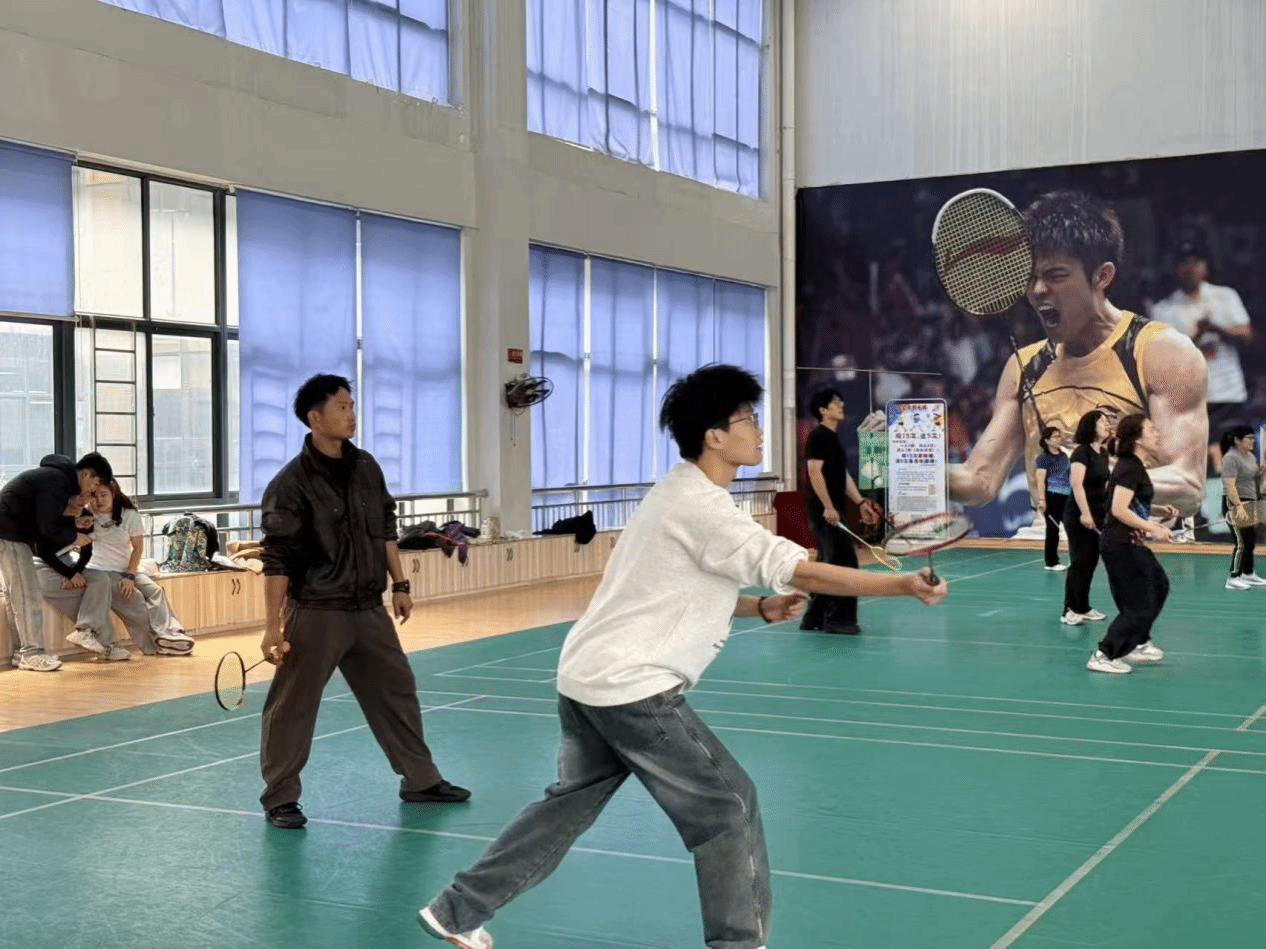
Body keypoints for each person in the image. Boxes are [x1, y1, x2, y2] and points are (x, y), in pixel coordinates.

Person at [416, 364, 947, 949]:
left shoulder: (675, 491)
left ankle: (457, 910)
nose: (760, 430)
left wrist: (757, 607)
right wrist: (900, 585)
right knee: (728, 806)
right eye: (748, 419)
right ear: (715, 436)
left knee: (566, 806)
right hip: (632, 688)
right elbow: (800, 570)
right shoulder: (703, 509)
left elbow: (671, 585)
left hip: (586, 676)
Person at [257, 374, 470, 829]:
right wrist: (273, 626)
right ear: (315, 419)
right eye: (341, 407)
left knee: (397, 691)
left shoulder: (366, 467)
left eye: (352, 406)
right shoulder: (289, 483)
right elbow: (276, 560)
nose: (351, 414)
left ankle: (420, 780)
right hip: (317, 610)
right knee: (293, 706)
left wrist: (400, 584)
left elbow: (384, 529)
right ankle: (280, 798)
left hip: (368, 608)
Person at [946, 191, 1208, 517]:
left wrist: (1098, 479)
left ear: (1102, 276)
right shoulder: (1024, 367)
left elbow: (1188, 486)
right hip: (1048, 542)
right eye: (1029, 277)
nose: (1038, 290)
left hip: (1136, 539)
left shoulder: (1160, 353)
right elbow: (979, 480)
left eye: (1055, 275)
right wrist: (907, 468)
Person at [38, 481, 197, 657]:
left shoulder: (128, 514)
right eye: (94, 496)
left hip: (127, 569)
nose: (99, 500)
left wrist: (130, 575)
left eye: (103, 495)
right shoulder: (84, 515)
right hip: (101, 571)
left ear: (113, 494)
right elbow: (75, 546)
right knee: (135, 601)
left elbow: (138, 548)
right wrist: (72, 572)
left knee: (156, 591)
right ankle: (154, 646)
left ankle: (170, 634)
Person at [0, 452, 113, 672]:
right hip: (10, 533)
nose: (92, 492)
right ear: (86, 475)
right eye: (94, 485)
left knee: (17, 595)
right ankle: (32, 653)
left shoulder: (57, 479)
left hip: (12, 532)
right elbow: (47, 527)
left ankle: (22, 652)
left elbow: (45, 521)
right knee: (27, 593)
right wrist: (74, 536)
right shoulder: (56, 480)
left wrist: (73, 525)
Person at [1087, 414, 1180, 675]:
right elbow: (1118, 509)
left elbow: (1129, 504)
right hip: (1121, 545)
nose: (1157, 433)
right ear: (1137, 438)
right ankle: (1104, 654)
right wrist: (1154, 528)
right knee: (1140, 604)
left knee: (1159, 585)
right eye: (1151, 429)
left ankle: (1138, 642)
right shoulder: (1129, 467)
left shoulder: (1135, 466)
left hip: (1131, 543)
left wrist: (1159, 511)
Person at [1151, 243, 1253, 474]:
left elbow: (1246, 333)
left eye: (1196, 262)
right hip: (1191, 396)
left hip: (1228, 391)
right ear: (1175, 268)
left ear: (1205, 267)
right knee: (1200, 464)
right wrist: (1195, 338)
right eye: (1184, 263)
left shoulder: (1225, 296)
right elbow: (1163, 355)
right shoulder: (1163, 309)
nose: (1190, 268)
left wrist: (1216, 328)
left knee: (1235, 460)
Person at [801, 387, 882, 634]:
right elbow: (814, 472)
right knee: (844, 562)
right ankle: (838, 620)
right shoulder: (818, 436)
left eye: (841, 402)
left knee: (828, 562)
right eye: (835, 403)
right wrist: (828, 507)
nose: (841, 406)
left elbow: (842, 476)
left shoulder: (833, 438)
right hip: (824, 511)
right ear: (823, 410)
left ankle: (815, 617)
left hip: (833, 509)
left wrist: (860, 503)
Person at [1060, 410, 1112, 625]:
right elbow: (1076, 484)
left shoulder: (1103, 453)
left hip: (1098, 515)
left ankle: (1083, 606)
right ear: (1091, 426)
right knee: (1079, 562)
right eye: (1102, 422)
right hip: (1078, 515)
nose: (1107, 425)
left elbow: (1104, 486)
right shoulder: (1081, 452)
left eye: (1108, 421)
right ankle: (1069, 610)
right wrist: (1085, 513)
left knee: (1090, 562)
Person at [1219, 426, 1266, 590]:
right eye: (1249, 438)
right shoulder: (1231, 458)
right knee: (1241, 542)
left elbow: (1254, 481)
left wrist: (1262, 473)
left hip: (1251, 500)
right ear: (1238, 440)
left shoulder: (1251, 457)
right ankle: (1233, 577)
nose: (1252, 441)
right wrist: (1238, 506)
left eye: (1253, 437)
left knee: (1250, 541)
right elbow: (1230, 486)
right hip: (1235, 502)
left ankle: (1247, 573)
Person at [1034, 426, 1071, 571]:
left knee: (1071, 527)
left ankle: (1075, 558)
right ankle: (1051, 562)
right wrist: (1042, 500)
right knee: (1052, 530)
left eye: (1059, 436)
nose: (1059, 439)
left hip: (1066, 496)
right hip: (1052, 496)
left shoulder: (1064, 456)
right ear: (1047, 440)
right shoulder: (1043, 458)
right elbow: (1040, 480)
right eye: (1055, 436)